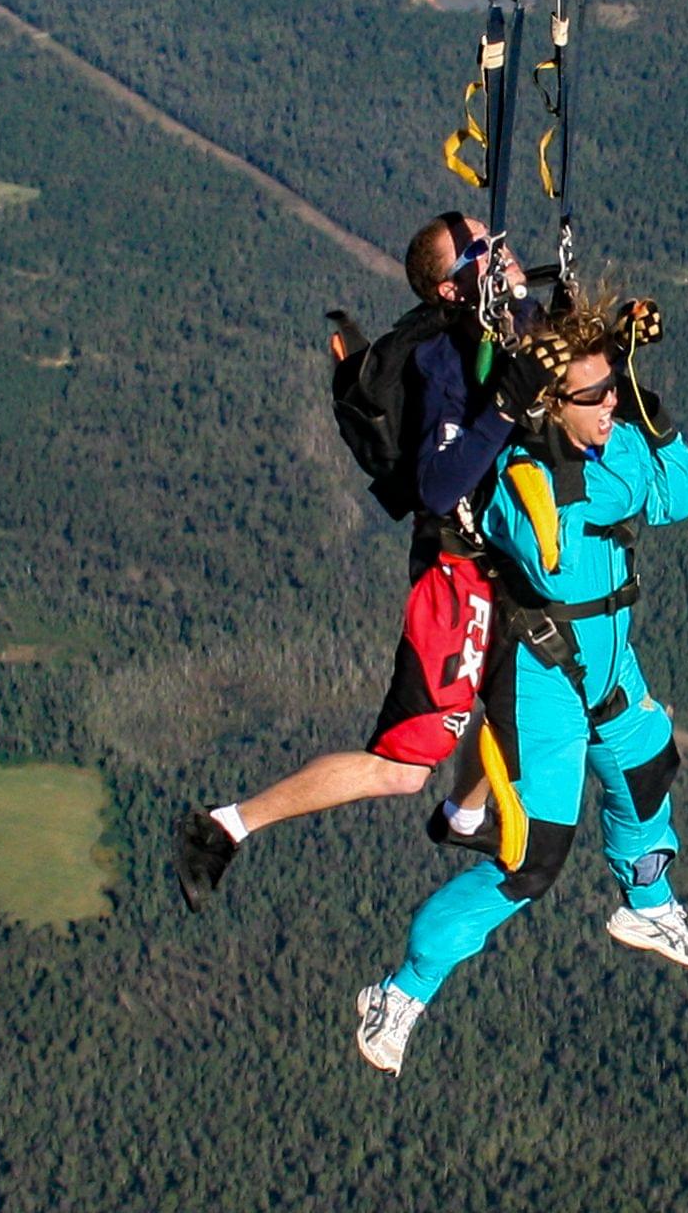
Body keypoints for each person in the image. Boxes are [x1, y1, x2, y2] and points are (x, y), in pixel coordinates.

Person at [355, 305, 688, 1077]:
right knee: (530, 860)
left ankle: (647, 905)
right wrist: (625, 450)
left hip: (611, 663)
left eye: (617, 389)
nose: (613, 405)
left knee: (648, 769)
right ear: (552, 407)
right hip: (545, 676)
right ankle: (403, 989)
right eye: (597, 395)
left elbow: (681, 496)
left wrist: (641, 403)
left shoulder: (604, 440)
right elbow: (562, 548)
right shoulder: (521, 479)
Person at [172, 213, 545, 910]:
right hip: (458, 575)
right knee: (403, 768)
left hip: (500, 566)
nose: (501, 248)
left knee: (518, 705)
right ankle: (225, 827)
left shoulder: (502, 331)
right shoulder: (446, 359)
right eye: (482, 248)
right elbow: (438, 483)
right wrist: (504, 410)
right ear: (450, 286)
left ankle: (462, 817)